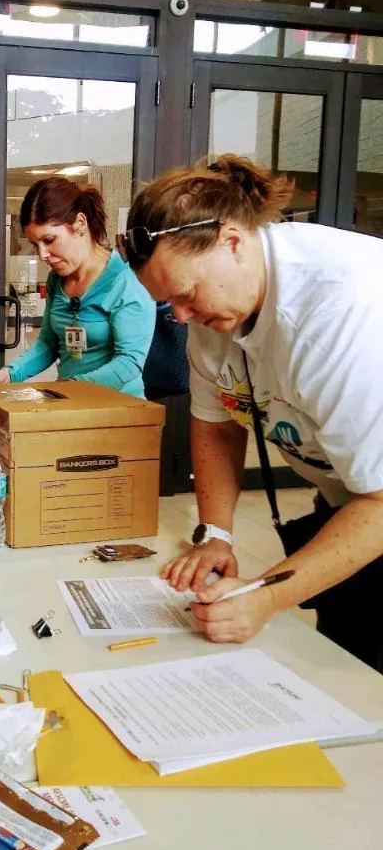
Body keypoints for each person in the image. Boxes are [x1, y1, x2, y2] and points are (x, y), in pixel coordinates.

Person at [119, 154, 383, 671]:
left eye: (187, 295)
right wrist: (216, 534)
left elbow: (379, 503)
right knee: (341, 661)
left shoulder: (342, 309)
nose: (182, 317)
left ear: (232, 241)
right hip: (348, 499)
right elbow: (215, 422)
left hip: (374, 503)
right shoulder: (214, 306)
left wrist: (264, 597)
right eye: (169, 304)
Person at [0, 178, 154, 396]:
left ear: (80, 224)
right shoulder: (57, 279)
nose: (43, 255)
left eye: (50, 240)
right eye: (36, 245)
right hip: (71, 402)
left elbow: (129, 362)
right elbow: (48, 343)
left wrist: (70, 386)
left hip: (118, 410)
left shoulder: (126, 280)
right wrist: (10, 373)